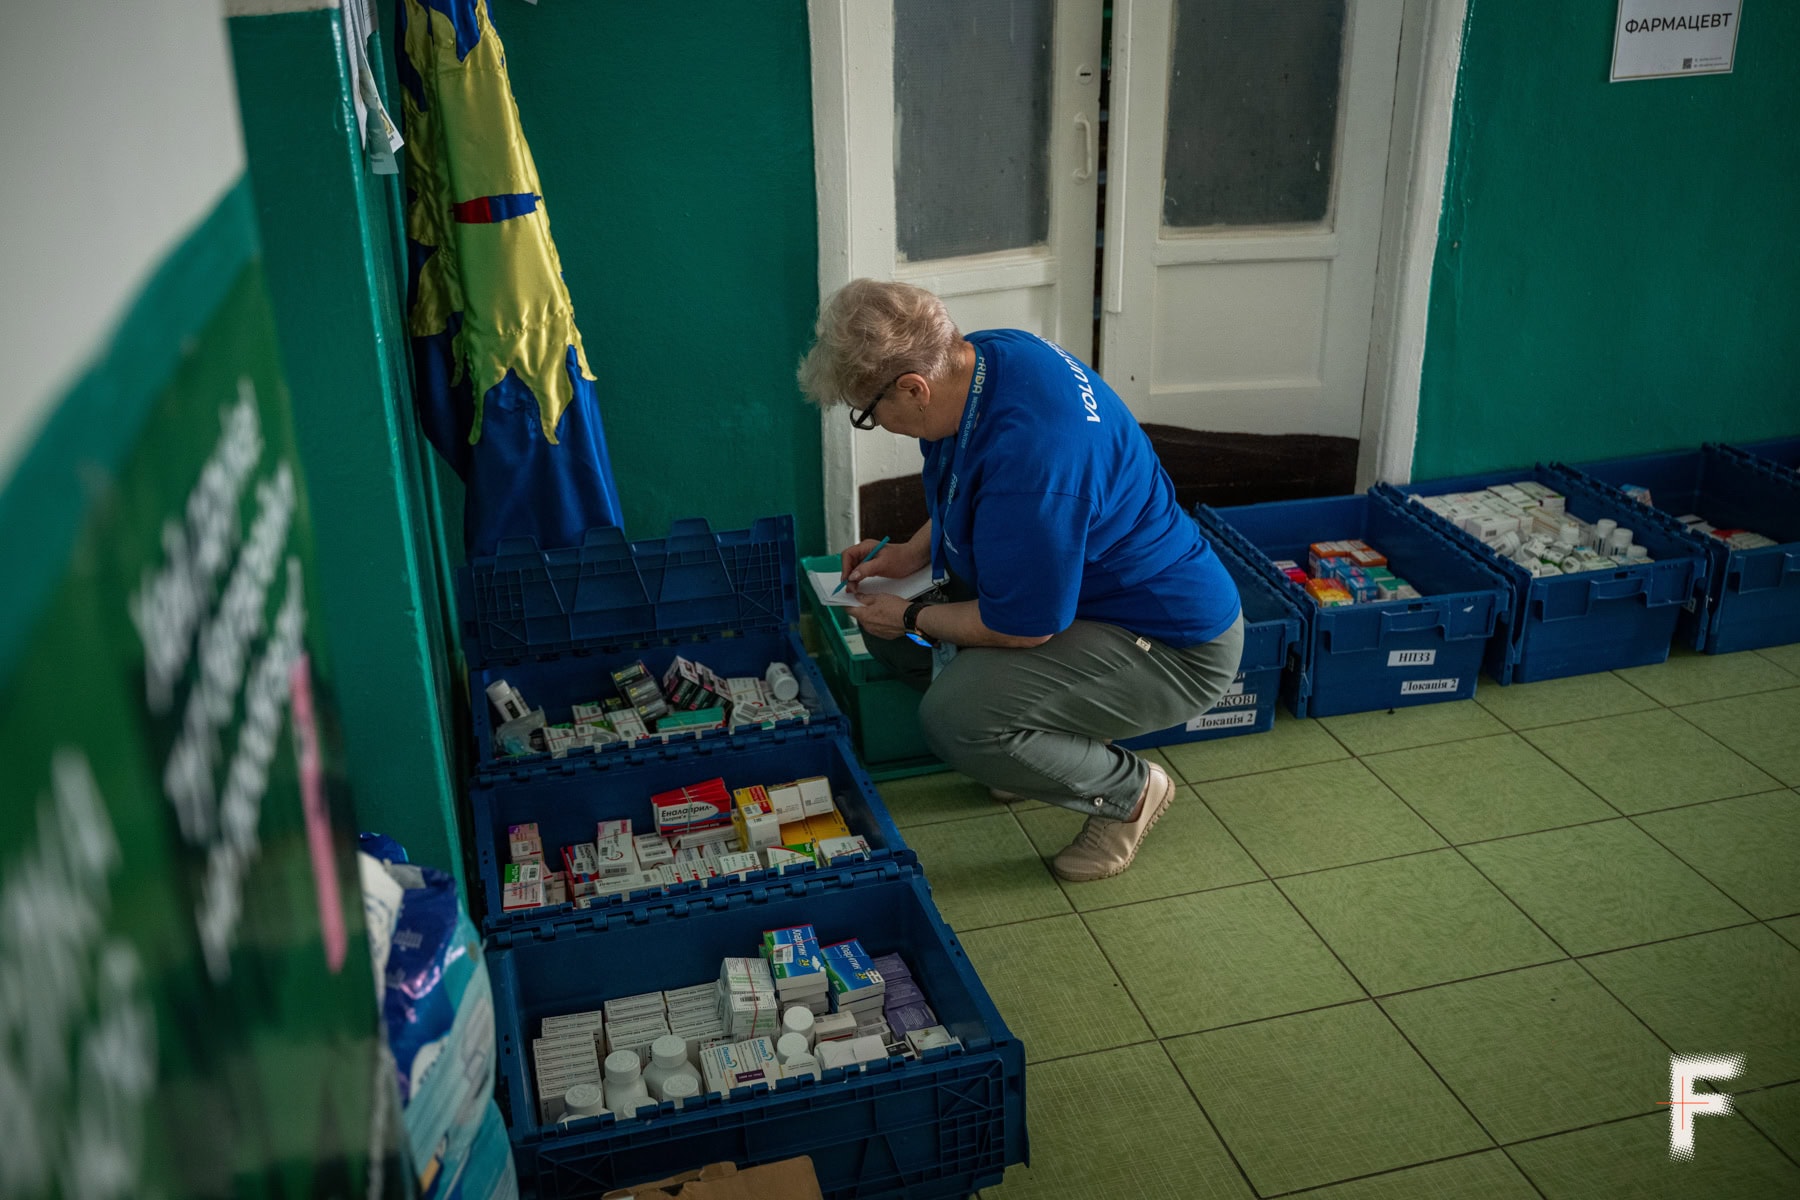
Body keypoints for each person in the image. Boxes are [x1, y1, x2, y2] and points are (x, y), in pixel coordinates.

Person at [798, 280, 1244, 881]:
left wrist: (908, 614)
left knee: (953, 718)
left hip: (1170, 643)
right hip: (1088, 601)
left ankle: (1130, 793)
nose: (877, 423)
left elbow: (1025, 627)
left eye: (871, 413)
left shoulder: (1038, 464)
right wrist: (908, 554)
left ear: (913, 387)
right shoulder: (985, 359)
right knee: (889, 635)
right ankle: (1029, 754)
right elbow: (969, 482)